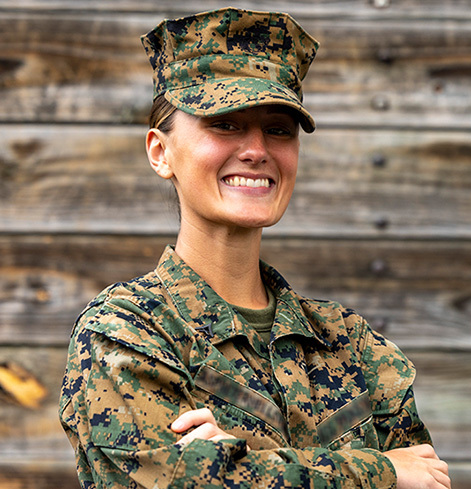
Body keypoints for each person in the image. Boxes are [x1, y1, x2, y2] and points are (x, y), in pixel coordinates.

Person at [58, 7, 450, 489]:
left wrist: (239, 461)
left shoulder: (353, 344)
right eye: (225, 123)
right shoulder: (126, 334)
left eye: (279, 129)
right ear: (161, 152)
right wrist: (383, 472)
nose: (257, 149)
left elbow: (430, 481)